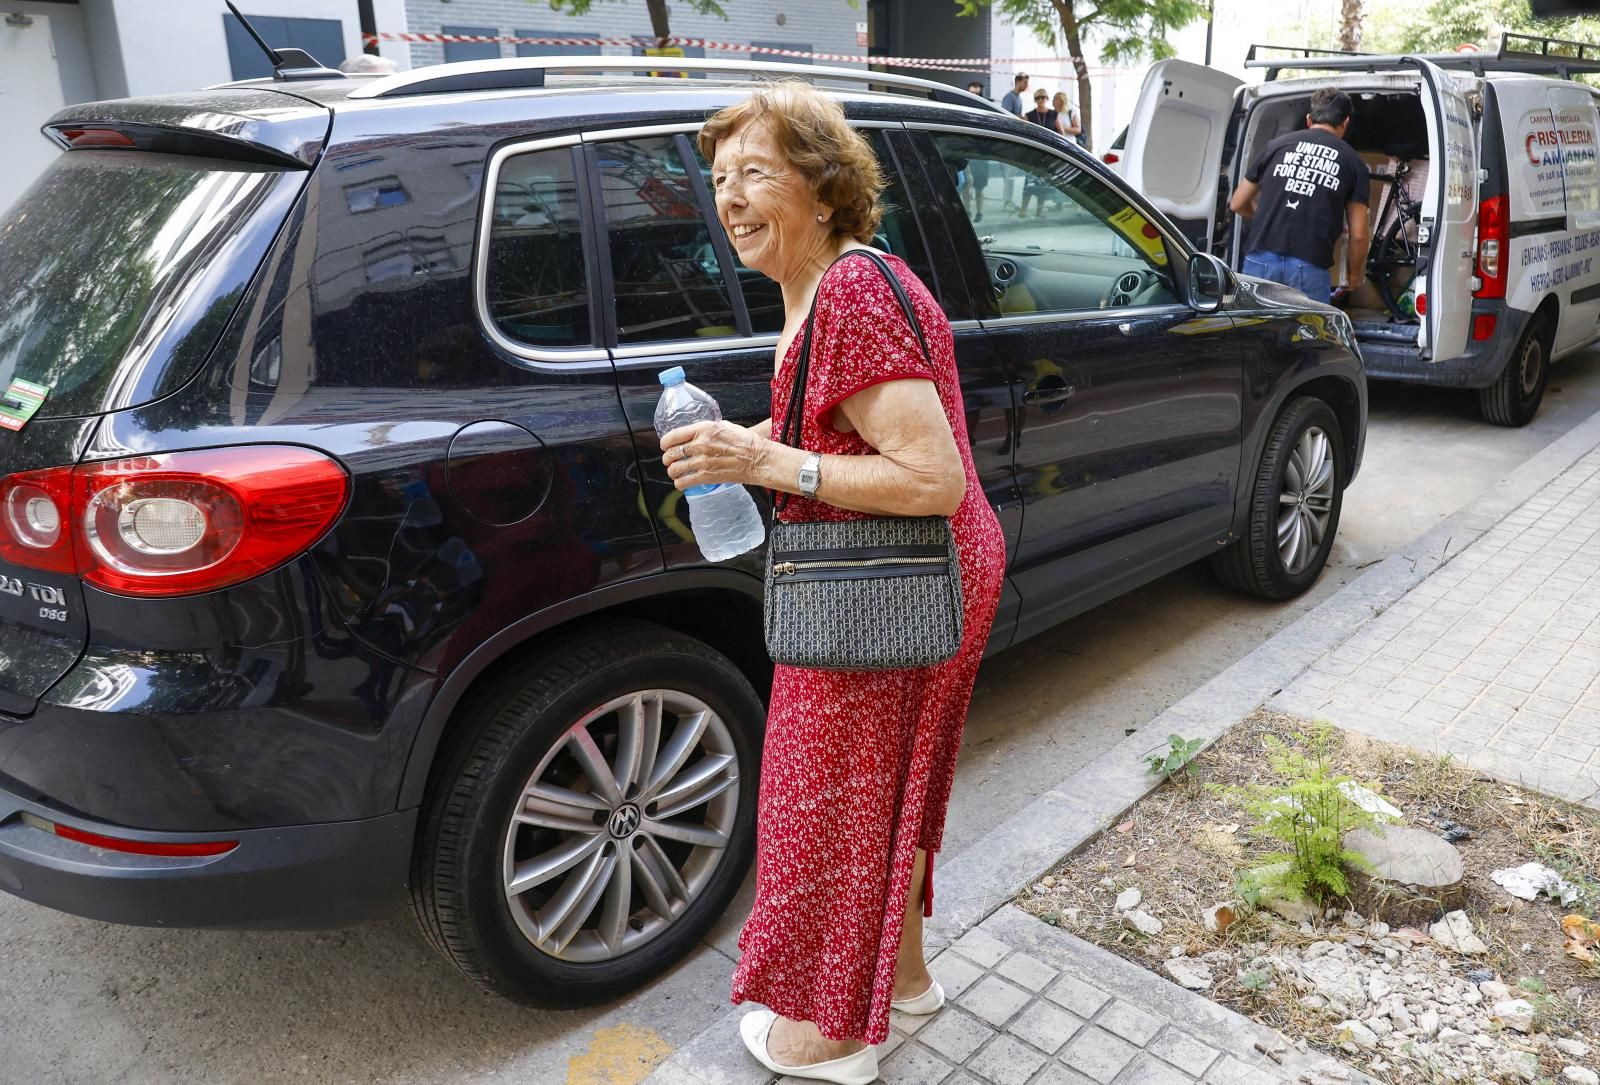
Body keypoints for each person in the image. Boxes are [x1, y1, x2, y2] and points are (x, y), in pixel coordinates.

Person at [661, 81, 1006, 1085]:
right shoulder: (830, 284)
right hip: (920, 572)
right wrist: (746, 447)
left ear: (821, 186)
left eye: (755, 172)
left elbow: (931, 477)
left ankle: (837, 1034)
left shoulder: (849, 294)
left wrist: (764, 465)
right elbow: (835, 424)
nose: (729, 196)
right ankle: (901, 984)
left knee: (831, 794)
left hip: (894, 578)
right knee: (880, 787)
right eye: (720, 179)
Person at [1228, 87, 1370, 304]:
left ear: (1309, 119)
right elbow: (1359, 235)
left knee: (1254, 333)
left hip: (1259, 261)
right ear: (1345, 122)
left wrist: (1265, 218)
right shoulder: (1352, 162)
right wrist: (1354, 275)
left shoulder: (1276, 146)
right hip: (1309, 266)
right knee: (1308, 335)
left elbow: (1237, 203)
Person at [1020, 89, 1058, 216]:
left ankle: (1039, 211)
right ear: (1035, 100)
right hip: (1033, 154)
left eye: (1043, 97)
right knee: (1029, 182)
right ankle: (1023, 211)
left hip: (1048, 154)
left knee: (1043, 184)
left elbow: (1061, 133)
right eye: (1038, 98)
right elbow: (1023, 133)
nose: (1041, 100)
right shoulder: (1029, 115)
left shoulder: (1054, 114)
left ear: (1047, 99)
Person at [962, 80, 992, 223]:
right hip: (966, 154)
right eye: (971, 93)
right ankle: (966, 210)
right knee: (968, 183)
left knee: (979, 187)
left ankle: (979, 212)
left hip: (980, 154)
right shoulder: (960, 109)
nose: (973, 95)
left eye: (976, 93)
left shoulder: (985, 110)